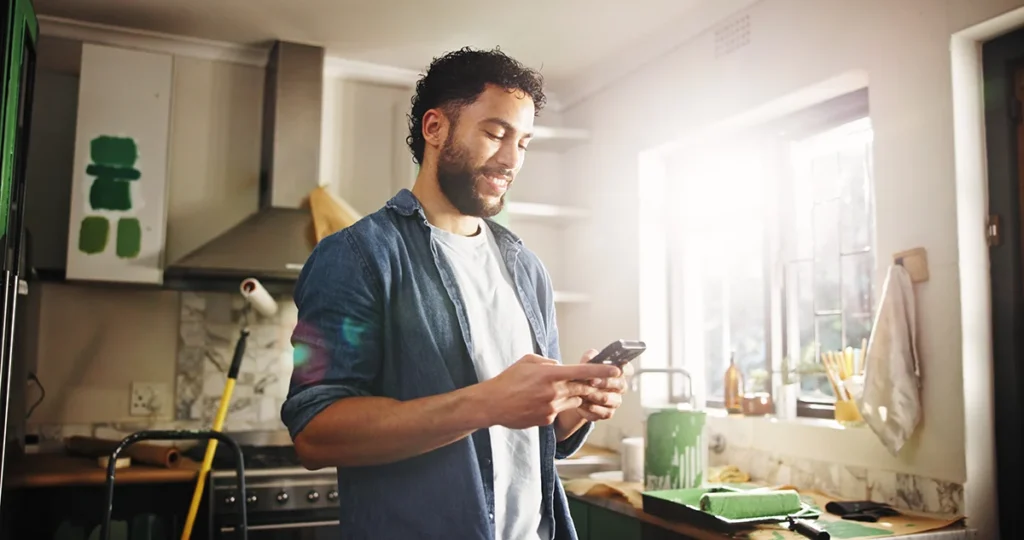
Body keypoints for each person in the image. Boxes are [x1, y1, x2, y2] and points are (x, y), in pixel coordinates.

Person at [280, 46, 632, 540]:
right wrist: (487, 402)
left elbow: (527, 444)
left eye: (524, 143)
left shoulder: (526, 270)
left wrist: (571, 410)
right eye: (495, 134)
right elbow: (315, 432)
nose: (511, 160)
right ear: (434, 129)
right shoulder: (356, 257)